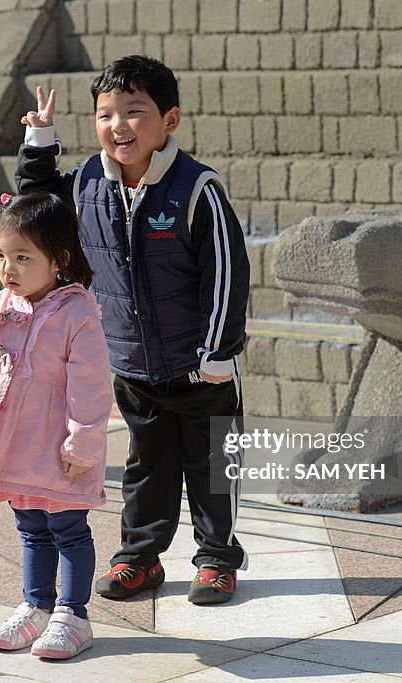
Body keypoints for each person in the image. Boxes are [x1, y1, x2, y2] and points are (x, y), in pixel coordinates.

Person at [16, 55, 250, 605]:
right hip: (130, 362)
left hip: (201, 366)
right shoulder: (89, 184)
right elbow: (35, 208)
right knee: (145, 466)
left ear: (169, 120)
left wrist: (219, 351)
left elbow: (227, 272)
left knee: (213, 465)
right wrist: (40, 142)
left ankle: (217, 559)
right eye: (106, 113)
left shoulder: (197, 189)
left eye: (134, 111)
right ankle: (140, 559)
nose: (118, 125)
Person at [0, 192, 112, 659]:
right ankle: (36, 606)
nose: (7, 268)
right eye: (0, 255)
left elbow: (91, 386)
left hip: (59, 449)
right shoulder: (0, 306)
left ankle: (73, 615)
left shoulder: (78, 314)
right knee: (32, 529)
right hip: (17, 447)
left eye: (22, 257)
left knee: (69, 529)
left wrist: (84, 442)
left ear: (59, 260)